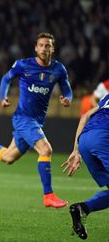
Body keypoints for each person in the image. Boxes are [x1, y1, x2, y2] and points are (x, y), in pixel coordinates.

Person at [0, 32, 73, 208]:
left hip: (36, 120)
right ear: (36, 48)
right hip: (23, 118)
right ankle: (48, 195)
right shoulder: (24, 65)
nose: (44, 48)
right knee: (46, 150)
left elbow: (67, 89)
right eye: (41, 45)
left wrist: (67, 98)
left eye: (48, 45)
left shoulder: (58, 69)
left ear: (53, 48)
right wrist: (3, 97)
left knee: (8, 157)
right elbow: (6, 78)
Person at [61, 94, 109, 240]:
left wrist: (76, 150)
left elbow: (85, 117)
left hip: (85, 140)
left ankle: (83, 209)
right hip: (103, 137)